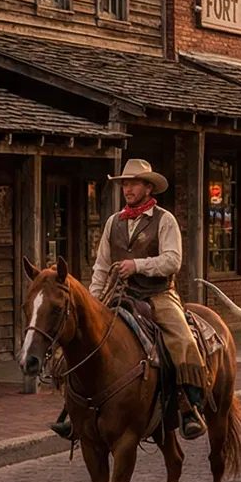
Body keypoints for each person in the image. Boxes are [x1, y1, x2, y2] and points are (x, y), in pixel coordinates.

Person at [50, 159, 210, 441]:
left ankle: (189, 407)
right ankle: (72, 410)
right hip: (119, 292)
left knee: (182, 339)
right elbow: (101, 266)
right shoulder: (114, 222)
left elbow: (173, 260)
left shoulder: (165, 220)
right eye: (124, 183)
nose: (127, 188)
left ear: (148, 187)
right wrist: (94, 300)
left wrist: (138, 265)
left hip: (157, 294)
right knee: (85, 340)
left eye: (133, 183)